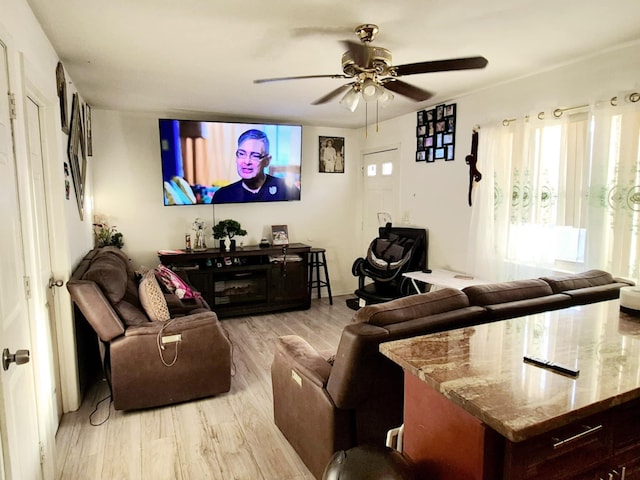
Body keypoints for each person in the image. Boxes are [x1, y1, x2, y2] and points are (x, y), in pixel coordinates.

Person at [213, 129, 300, 203]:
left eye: (255, 155)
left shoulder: (287, 190)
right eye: (242, 154)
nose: (247, 162)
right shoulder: (222, 195)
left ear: (267, 161)